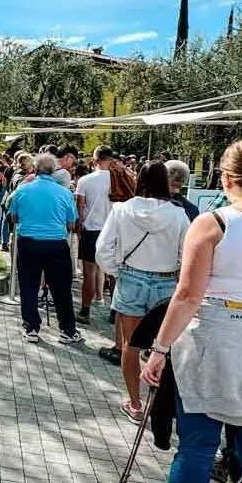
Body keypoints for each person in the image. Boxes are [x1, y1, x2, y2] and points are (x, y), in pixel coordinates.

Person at [142, 138, 242, 483]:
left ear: (226, 178)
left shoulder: (213, 223)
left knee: (196, 447)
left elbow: (188, 294)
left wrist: (159, 348)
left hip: (214, 336)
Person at [96, 161, 189, 424]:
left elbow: (103, 249)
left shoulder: (122, 210)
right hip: (166, 282)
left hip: (131, 277)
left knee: (131, 345)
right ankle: (158, 403)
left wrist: (116, 271)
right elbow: (187, 254)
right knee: (164, 347)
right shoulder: (179, 215)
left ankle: (135, 403)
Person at [9, 153, 82, 345]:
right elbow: (71, 224)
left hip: (28, 242)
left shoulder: (23, 190)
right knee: (62, 288)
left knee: (28, 285)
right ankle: (67, 329)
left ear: (35, 168)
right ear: (53, 170)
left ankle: (31, 327)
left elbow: (14, 218)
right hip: (56, 244)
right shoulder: (65, 193)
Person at [75, 145, 114, 326]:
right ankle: (115, 311)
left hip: (92, 229)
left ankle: (85, 310)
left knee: (89, 273)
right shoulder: (120, 179)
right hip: (114, 230)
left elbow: (80, 208)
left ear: (95, 160)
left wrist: (79, 227)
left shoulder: (85, 180)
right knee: (115, 273)